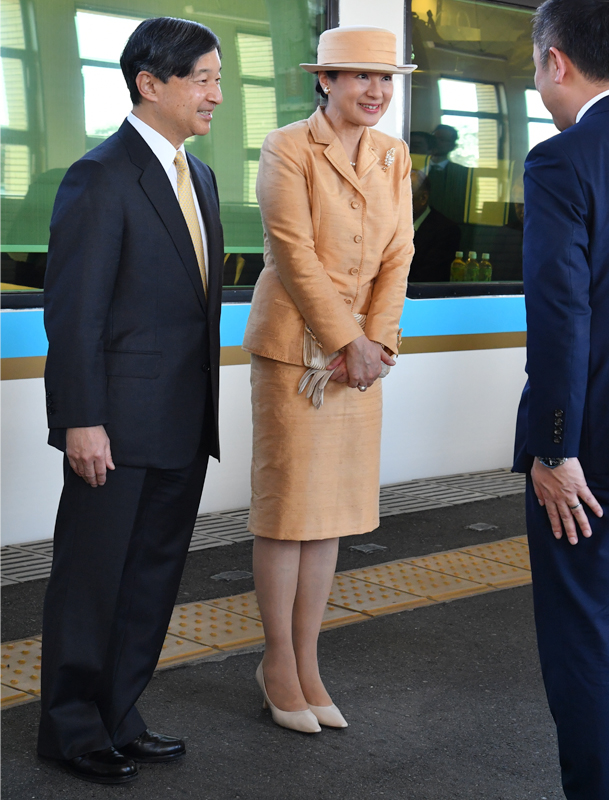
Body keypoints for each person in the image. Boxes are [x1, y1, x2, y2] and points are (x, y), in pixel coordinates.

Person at [38, 17, 223, 784]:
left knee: (151, 579)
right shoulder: (100, 175)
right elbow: (73, 312)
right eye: (203, 79)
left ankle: (120, 712)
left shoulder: (199, 175)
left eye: (217, 78)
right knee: (92, 581)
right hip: (113, 425)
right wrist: (81, 419)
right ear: (151, 84)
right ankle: (70, 727)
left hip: (183, 421)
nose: (216, 94)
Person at [242, 26, 415, 734]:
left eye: (384, 80)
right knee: (288, 514)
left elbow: (399, 252)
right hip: (295, 352)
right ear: (325, 81)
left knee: (331, 518)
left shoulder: (393, 155)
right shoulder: (286, 146)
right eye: (357, 78)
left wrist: (376, 342)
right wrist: (346, 340)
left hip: (358, 360)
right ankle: (277, 661)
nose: (373, 92)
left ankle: (309, 661)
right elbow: (291, 252)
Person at [512, 1, 609, 797]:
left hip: (592, 452)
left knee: (584, 634)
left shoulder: (562, 161)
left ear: (555, 61)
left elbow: (559, 314)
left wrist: (553, 445)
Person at [408, 169, 460, 282]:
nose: (396, 198)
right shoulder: (390, 224)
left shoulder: (446, 231)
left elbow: (428, 277)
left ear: (423, 198)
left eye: (405, 193)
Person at [426, 124, 471, 223]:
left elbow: (465, 205)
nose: (437, 142)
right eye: (434, 138)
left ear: (453, 146)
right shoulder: (417, 167)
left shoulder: (463, 173)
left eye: (442, 139)